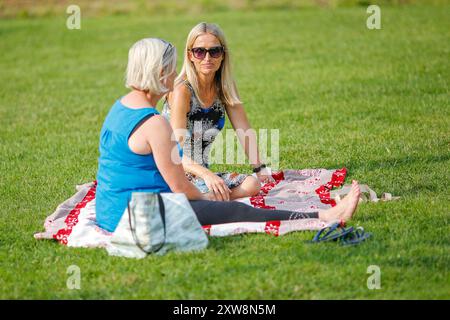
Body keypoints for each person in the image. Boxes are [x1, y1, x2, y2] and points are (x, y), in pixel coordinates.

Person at [95, 37, 361, 233]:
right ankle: (324, 215)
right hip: (138, 217)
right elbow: (180, 188)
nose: (176, 74)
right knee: (236, 210)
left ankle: (322, 214)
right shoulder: (155, 124)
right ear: (160, 73)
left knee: (225, 202)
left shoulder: (120, 106)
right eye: (172, 69)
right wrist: (209, 199)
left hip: (111, 212)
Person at [163, 22, 274, 201]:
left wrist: (260, 169)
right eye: (200, 51)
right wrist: (207, 174)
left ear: (223, 55)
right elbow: (176, 151)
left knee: (252, 185)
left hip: (200, 171)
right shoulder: (181, 91)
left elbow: (244, 130)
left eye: (214, 51)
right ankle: (205, 199)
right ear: (190, 55)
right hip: (171, 168)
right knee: (207, 188)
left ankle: (206, 198)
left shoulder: (225, 86)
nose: (207, 58)